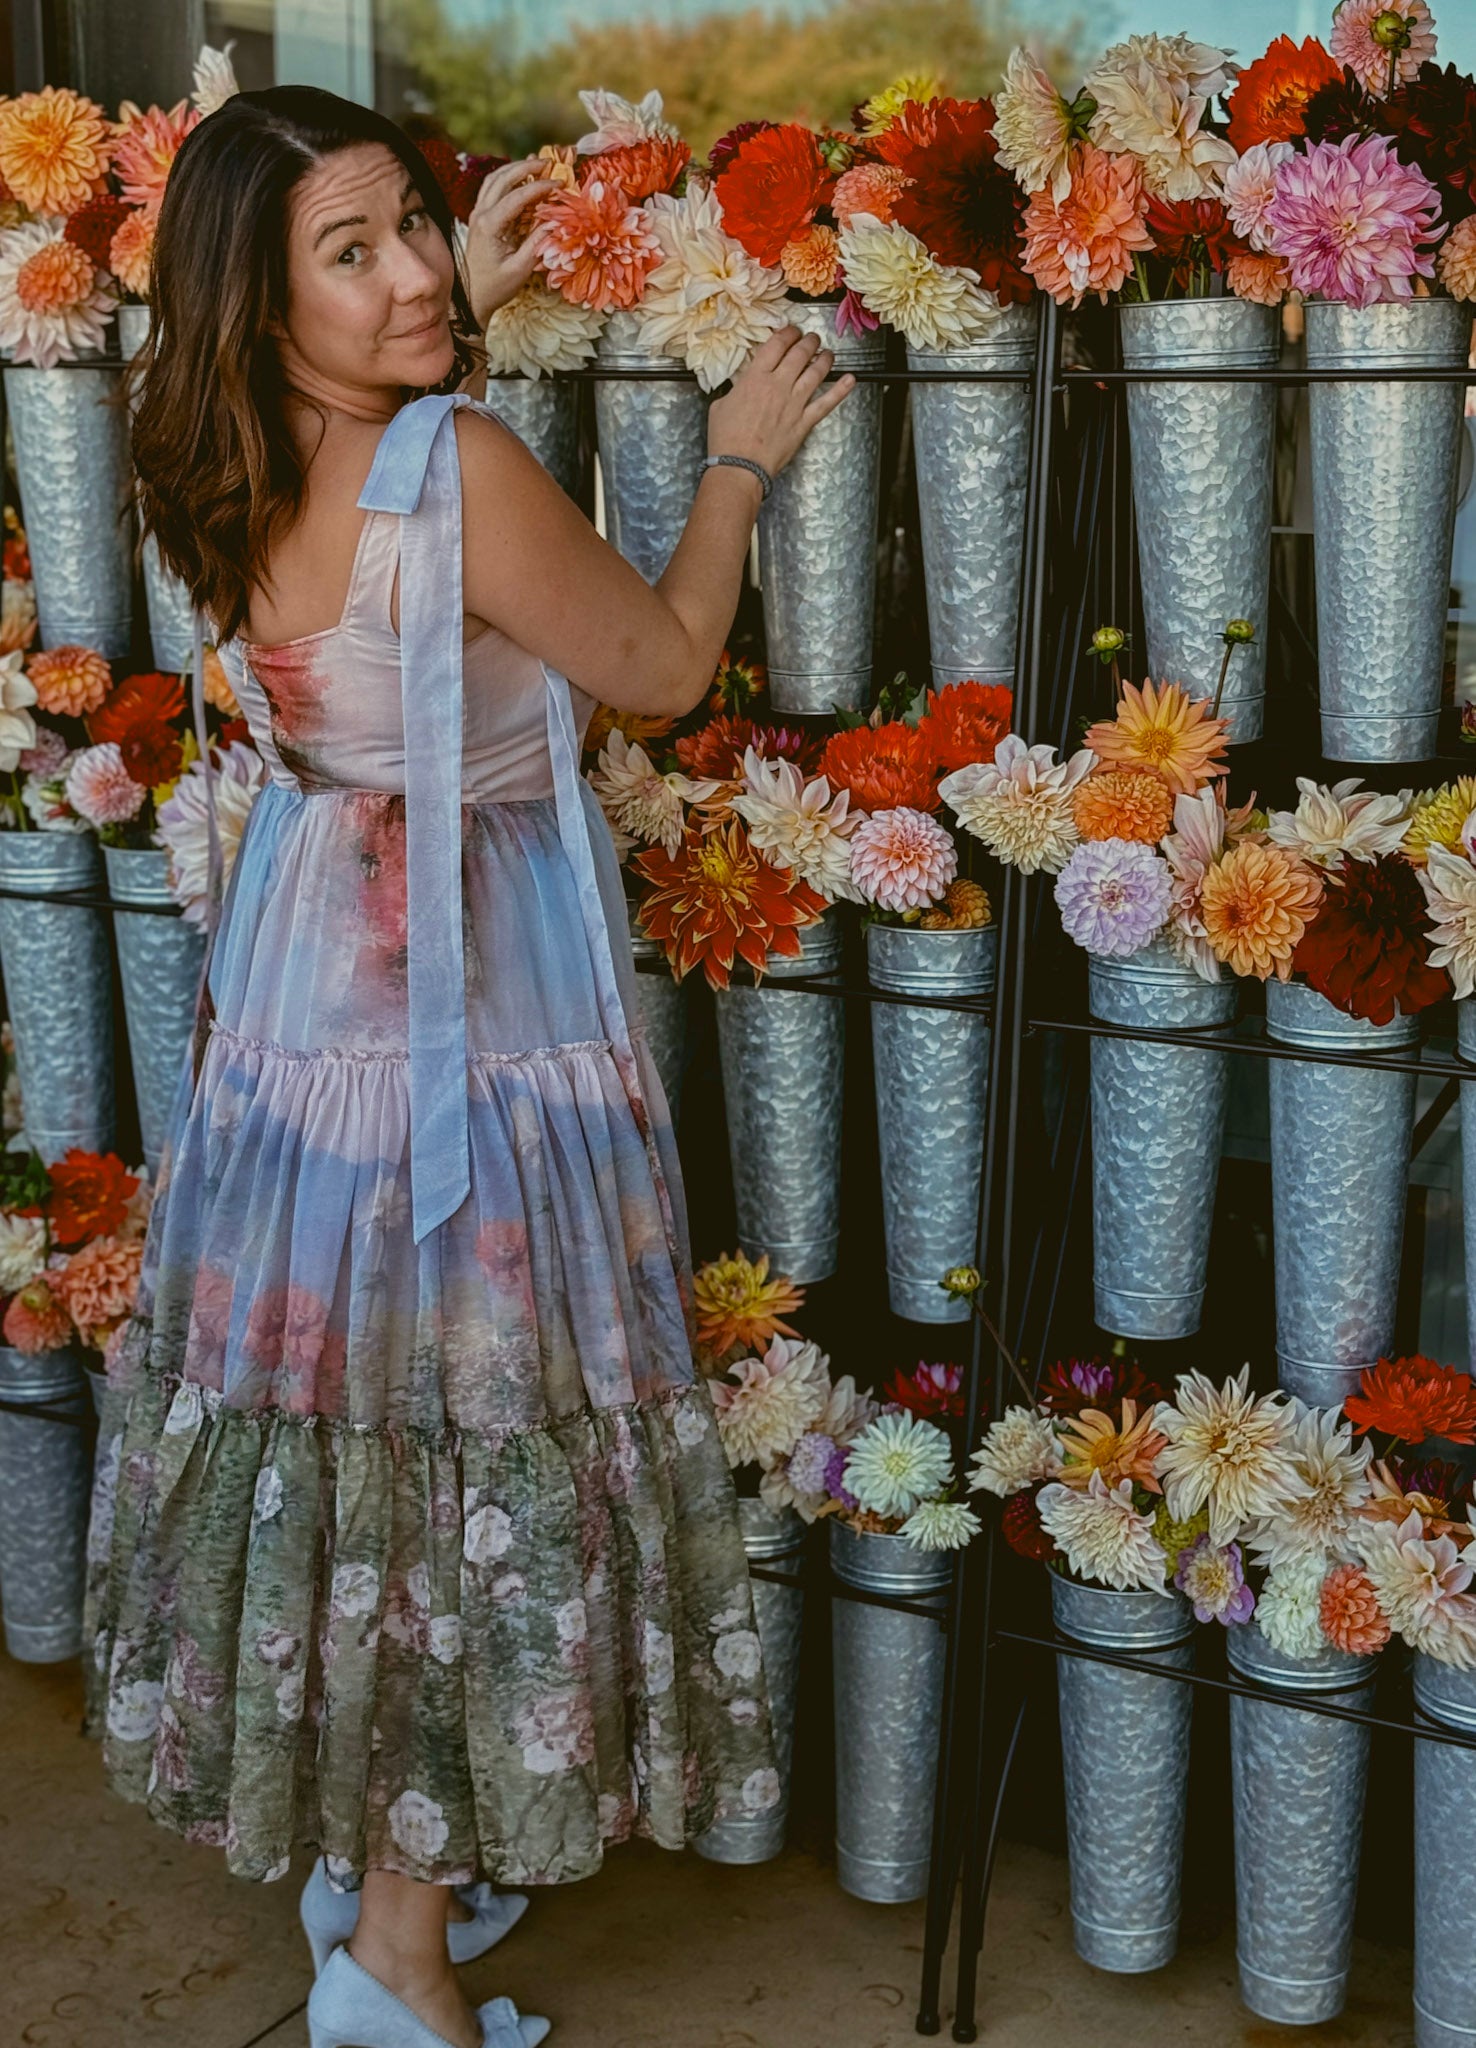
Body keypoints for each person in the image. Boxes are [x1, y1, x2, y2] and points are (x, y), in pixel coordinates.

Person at [84, 84, 854, 2048]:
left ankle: (361, 1867)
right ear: (268, 313)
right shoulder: (465, 464)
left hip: (301, 1026)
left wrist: (427, 312)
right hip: (470, 1021)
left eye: (412, 222)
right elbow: (665, 667)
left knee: (344, 1436)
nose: (419, 269)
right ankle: (401, 1966)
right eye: (353, 256)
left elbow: (381, 576)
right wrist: (741, 464)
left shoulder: (218, 457)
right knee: (460, 1458)